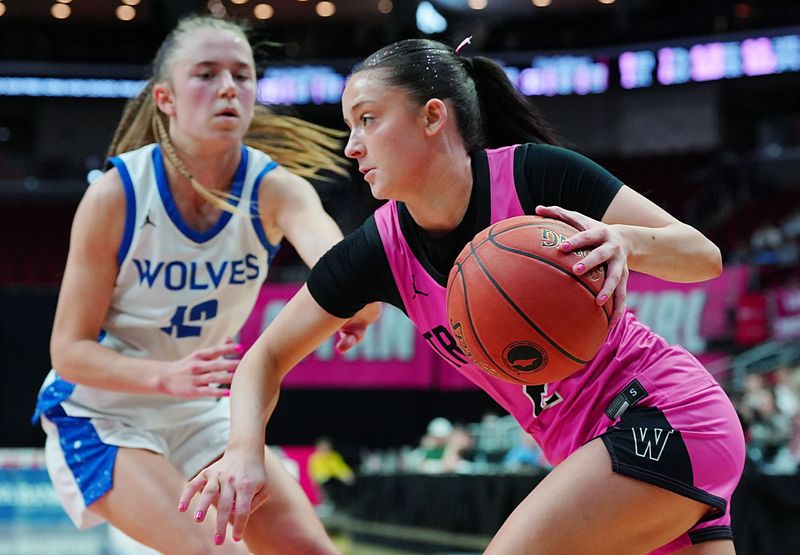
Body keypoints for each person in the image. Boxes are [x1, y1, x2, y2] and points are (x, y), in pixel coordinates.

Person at [181, 38, 746, 554]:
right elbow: (266, 357)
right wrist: (243, 451)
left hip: (661, 413)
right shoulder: (380, 250)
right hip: (583, 447)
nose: (353, 147)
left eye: (368, 120)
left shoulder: (534, 177)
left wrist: (622, 239)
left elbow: (702, 255)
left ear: (432, 117)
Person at [32, 14, 379, 555]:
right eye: (206, 74)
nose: (227, 88)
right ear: (165, 98)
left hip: (202, 412)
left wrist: (358, 299)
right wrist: (166, 376)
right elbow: (68, 351)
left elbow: (338, 263)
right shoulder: (117, 195)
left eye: (241, 75)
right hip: (103, 413)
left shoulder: (275, 189)